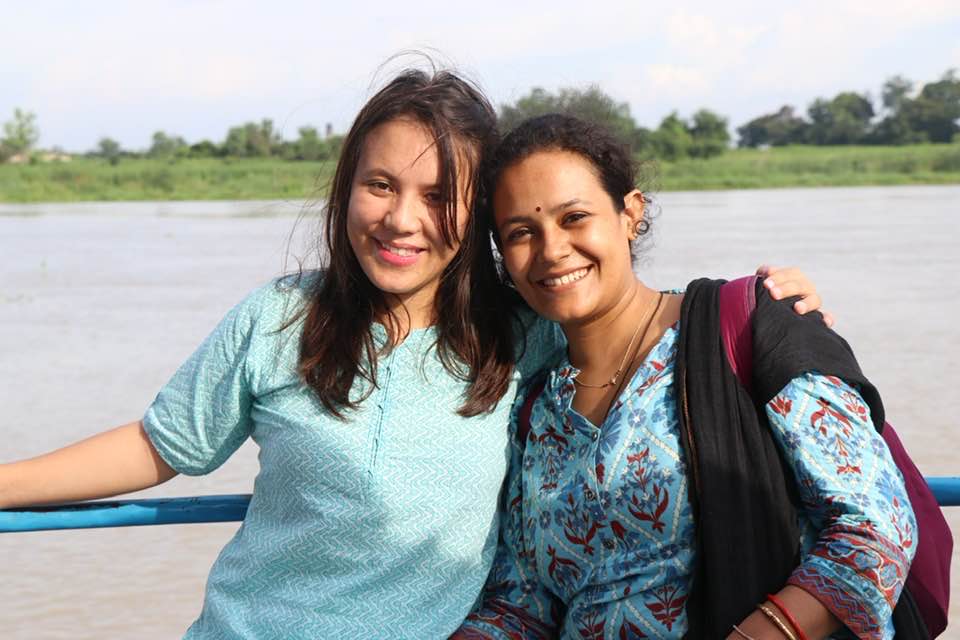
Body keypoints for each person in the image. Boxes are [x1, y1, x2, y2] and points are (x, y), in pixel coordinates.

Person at [0, 70, 825, 639]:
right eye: (380, 185)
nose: (402, 220)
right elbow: (161, 444)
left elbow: (626, 312)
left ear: (478, 218)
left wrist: (762, 309)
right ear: (346, 188)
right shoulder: (279, 318)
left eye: (440, 196)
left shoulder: (523, 331)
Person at [455, 114, 916, 640]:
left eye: (575, 217)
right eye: (521, 233)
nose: (552, 250)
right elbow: (522, 604)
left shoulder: (746, 329)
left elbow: (874, 532)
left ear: (630, 213)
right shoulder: (537, 409)